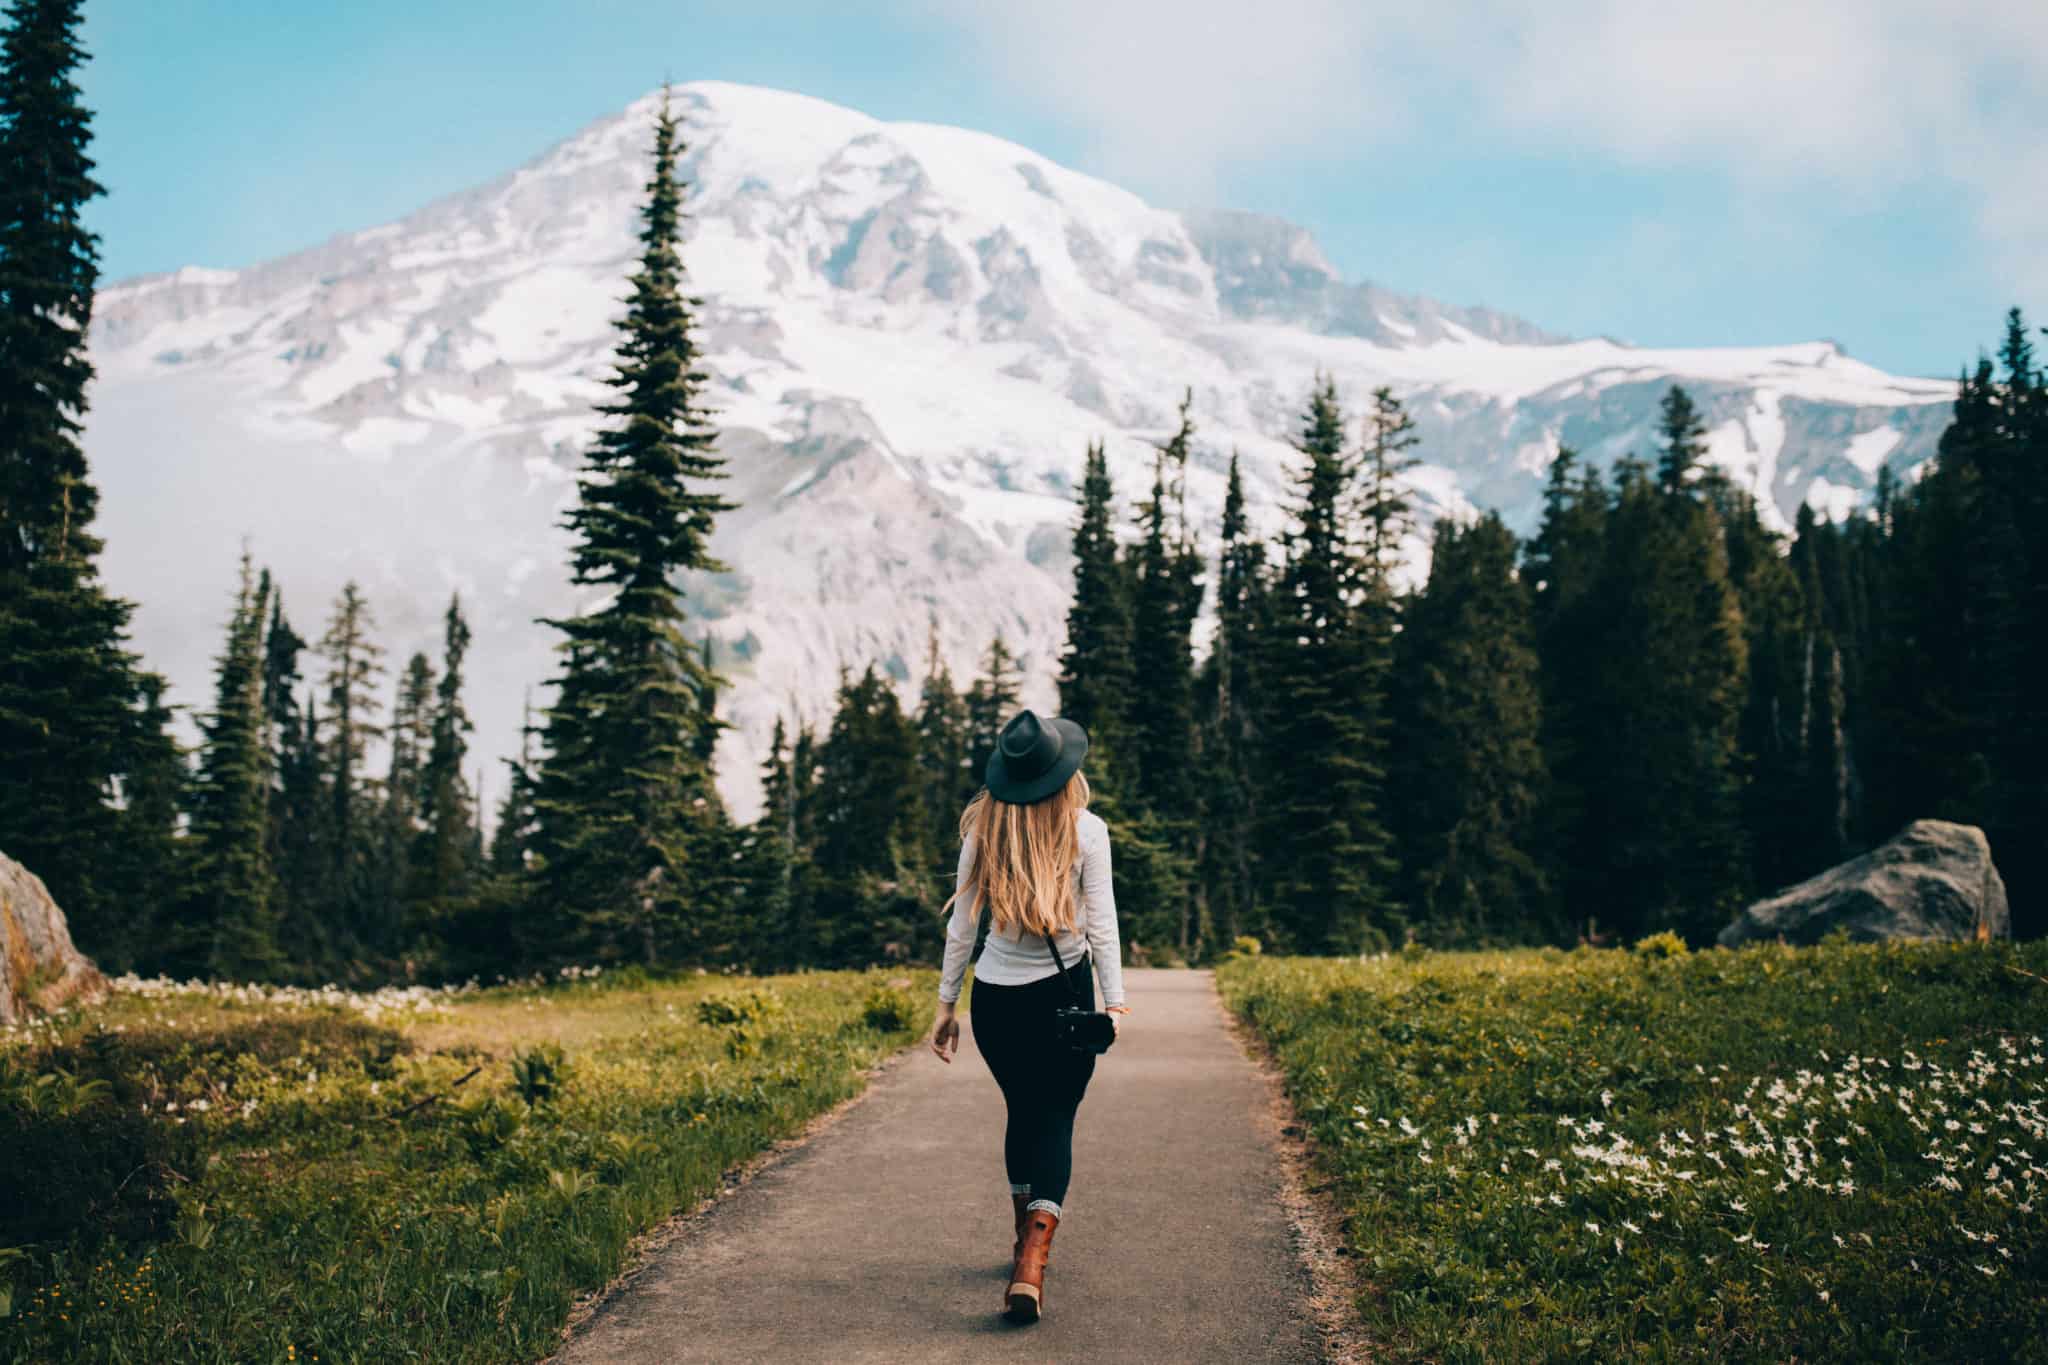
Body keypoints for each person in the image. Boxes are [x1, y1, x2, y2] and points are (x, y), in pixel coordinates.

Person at [930, 708, 1129, 1325]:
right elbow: (1103, 925)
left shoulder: (981, 831)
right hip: (1063, 998)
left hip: (995, 1002)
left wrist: (946, 1005)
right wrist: (1114, 1001)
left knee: (1023, 1112)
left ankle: (1024, 1243)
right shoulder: (1086, 831)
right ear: (1064, 771)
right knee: (1056, 1119)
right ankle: (1032, 1262)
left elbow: (962, 927)